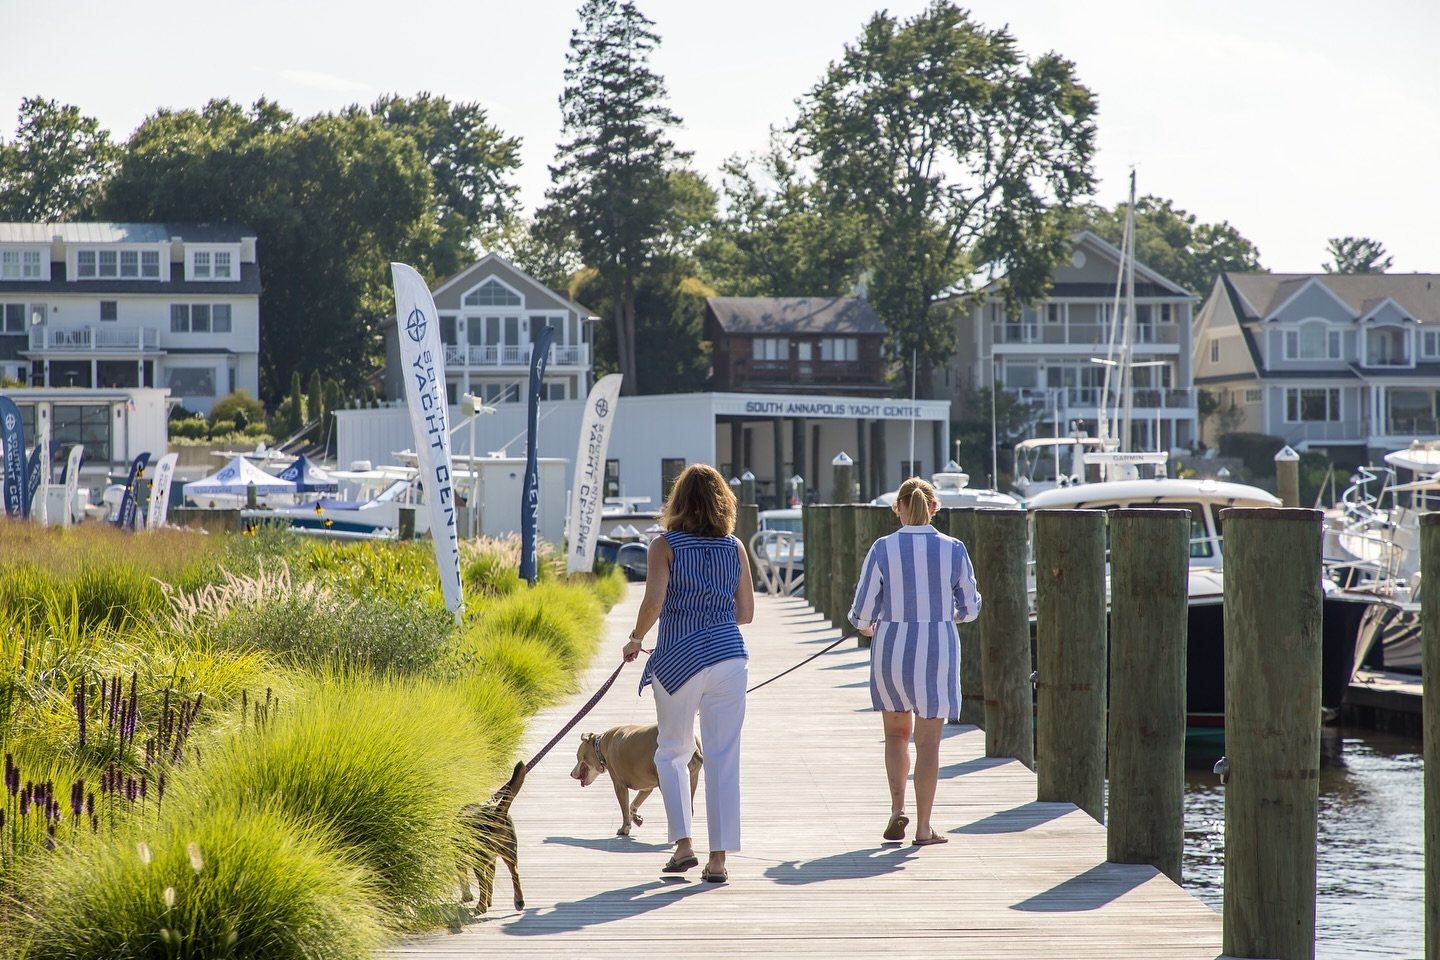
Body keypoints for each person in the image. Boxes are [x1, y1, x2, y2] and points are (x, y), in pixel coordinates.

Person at [624, 463, 754, 883]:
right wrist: (712, 611)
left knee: (673, 752)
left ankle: (683, 846)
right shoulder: (734, 547)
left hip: (678, 658)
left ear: (677, 502)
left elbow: (654, 604)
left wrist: (634, 638)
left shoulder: (664, 545)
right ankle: (718, 860)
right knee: (722, 758)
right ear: (723, 504)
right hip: (729, 657)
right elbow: (747, 613)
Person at [848, 476, 981, 847]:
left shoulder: (882, 548)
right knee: (929, 744)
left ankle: (896, 811)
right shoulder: (954, 549)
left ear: (898, 508)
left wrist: (865, 626)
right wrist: (946, 616)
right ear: (935, 508)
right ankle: (923, 828)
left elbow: (862, 612)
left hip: (892, 646)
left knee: (895, 735)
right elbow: (970, 608)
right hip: (937, 647)